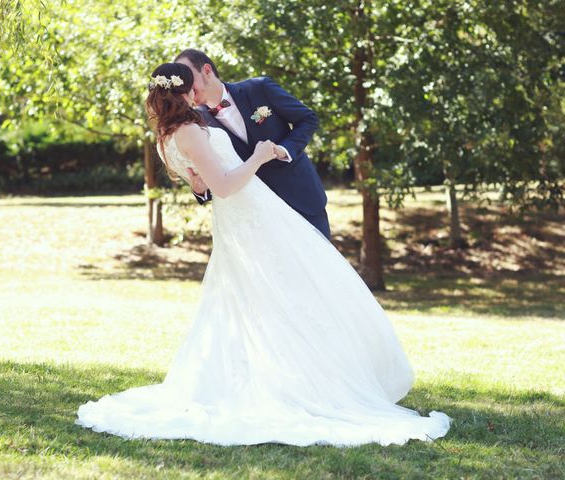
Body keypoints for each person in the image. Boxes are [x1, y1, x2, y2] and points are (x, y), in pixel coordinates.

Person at [75, 62, 452, 447]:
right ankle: (306, 387)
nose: (196, 96)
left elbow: (203, 177)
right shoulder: (191, 127)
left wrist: (252, 162)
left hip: (259, 214)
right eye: (190, 91)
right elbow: (218, 186)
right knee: (294, 297)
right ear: (183, 92)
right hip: (252, 215)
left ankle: (301, 376)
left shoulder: (167, 136)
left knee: (276, 299)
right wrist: (257, 157)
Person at [175, 48, 331, 240]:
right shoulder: (196, 124)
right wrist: (200, 190)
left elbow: (308, 119)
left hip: (302, 199)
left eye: (188, 79)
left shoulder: (259, 88)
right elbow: (218, 177)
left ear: (207, 71)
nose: (185, 88)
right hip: (258, 216)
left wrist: (283, 150)